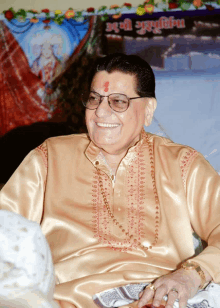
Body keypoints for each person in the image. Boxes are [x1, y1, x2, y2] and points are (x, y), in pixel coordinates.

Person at [0, 53, 220, 308]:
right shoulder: (49, 158)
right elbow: (6, 227)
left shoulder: (182, 163)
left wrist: (192, 274)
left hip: (161, 299)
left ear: (148, 110)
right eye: (94, 99)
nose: (100, 111)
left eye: (118, 101)